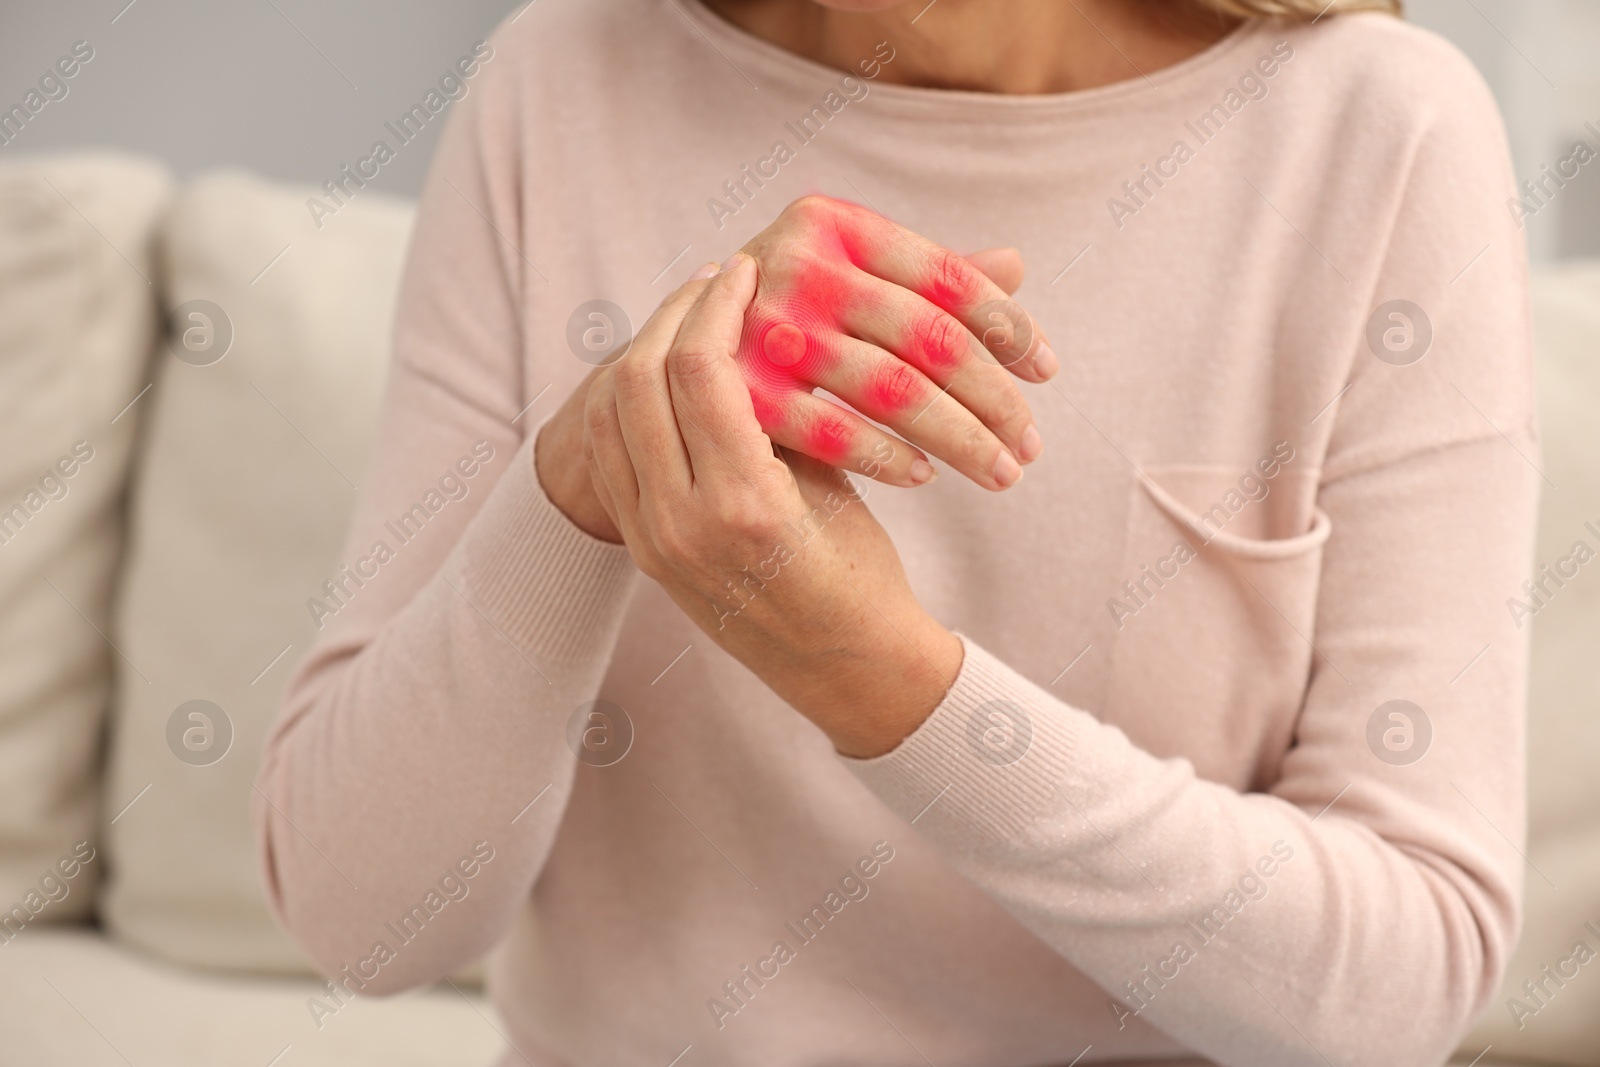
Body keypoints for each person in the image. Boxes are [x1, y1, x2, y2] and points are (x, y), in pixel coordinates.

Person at [256, 0, 1537, 1063]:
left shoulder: (1379, 131)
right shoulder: (560, 73)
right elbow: (364, 918)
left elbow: (1402, 980)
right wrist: (595, 469)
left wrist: (875, 671)